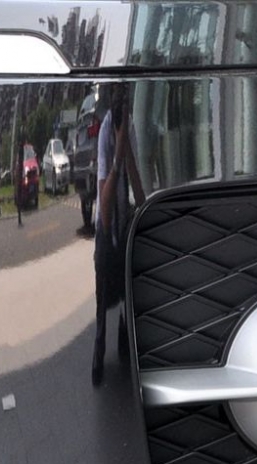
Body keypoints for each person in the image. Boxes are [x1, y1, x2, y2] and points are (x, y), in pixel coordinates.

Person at [92, 84, 145, 385]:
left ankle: (126, 336)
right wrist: (116, 157)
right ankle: (99, 347)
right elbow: (104, 207)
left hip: (124, 218)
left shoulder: (130, 127)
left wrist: (127, 150)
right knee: (103, 287)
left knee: (128, 281)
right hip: (107, 222)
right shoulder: (104, 133)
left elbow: (136, 184)